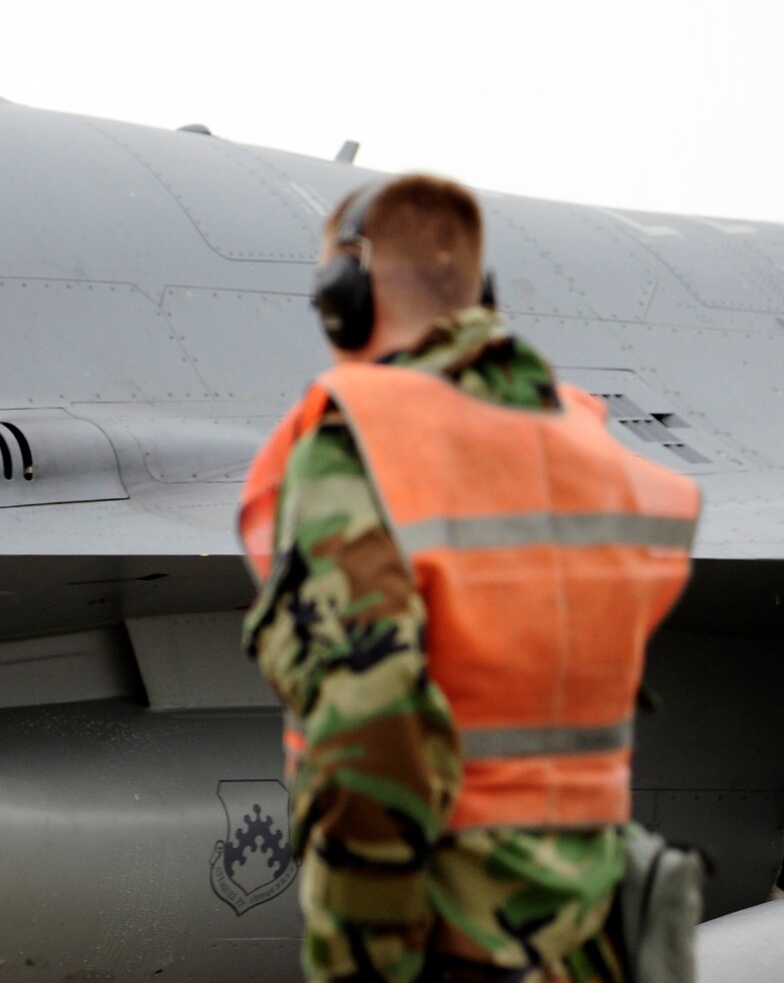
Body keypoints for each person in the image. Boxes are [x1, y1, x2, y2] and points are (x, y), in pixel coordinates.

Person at [236, 174, 700, 981]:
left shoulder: (361, 445)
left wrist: (364, 963)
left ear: (347, 296)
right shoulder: (587, 445)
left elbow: (368, 726)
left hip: (455, 939)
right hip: (592, 939)